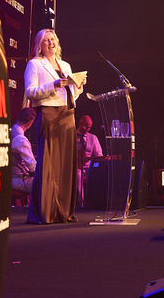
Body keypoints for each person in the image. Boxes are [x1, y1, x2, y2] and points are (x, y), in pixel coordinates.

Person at [23, 28, 84, 223]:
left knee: (65, 165)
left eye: (53, 39)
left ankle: (63, 211)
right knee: (49, 164)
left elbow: (70, 94)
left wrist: (78, 87)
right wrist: (54, 85)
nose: (51, 43)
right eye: (46, 40)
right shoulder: (35, 64)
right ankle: (46, 211)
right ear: (39, 45)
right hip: (49, 114)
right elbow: (30, 92)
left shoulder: (65, 65)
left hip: (68, 114)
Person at [76, 114, 103, 205]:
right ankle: (81, 202)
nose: (86, 129)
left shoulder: (93, 138)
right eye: (85, 126)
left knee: (98, 172)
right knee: (78, 175)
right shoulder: (71, 136)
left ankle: (96, 202)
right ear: (80, 123)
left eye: (89, 127)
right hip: (76, 167)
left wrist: (97, 159)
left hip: (89, 168)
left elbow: (99, 155)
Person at [11, 107, 37, 194]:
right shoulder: (21, 140)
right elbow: (32, 168)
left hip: (9, 176)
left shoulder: (10, 131)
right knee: (49, 183)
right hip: (18, 179)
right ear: (30, 123)